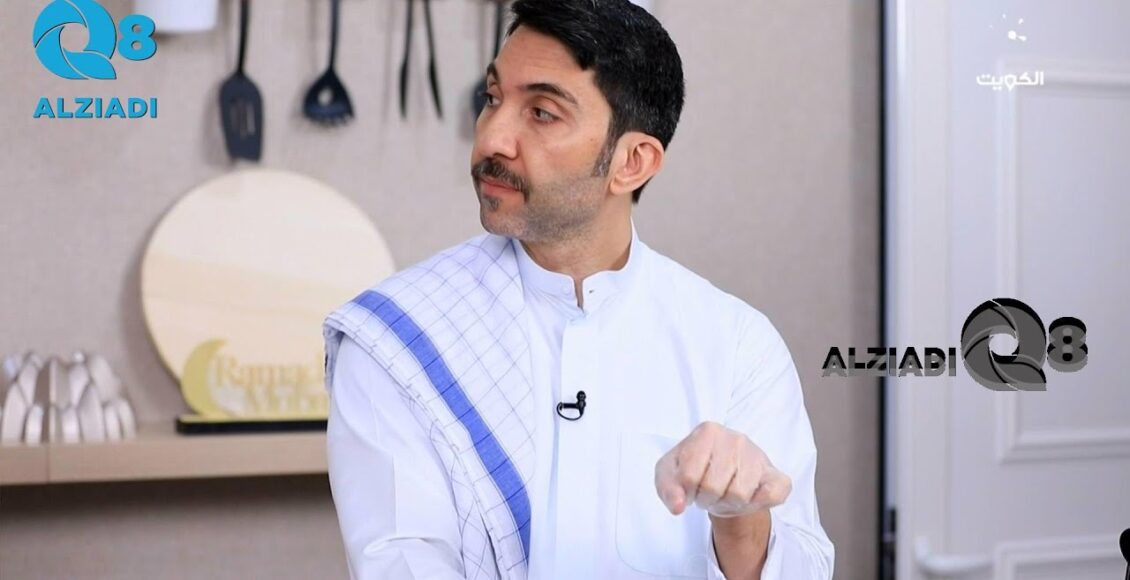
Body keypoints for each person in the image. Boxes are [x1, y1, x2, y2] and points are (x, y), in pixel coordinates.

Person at [322, 1, 834, 578]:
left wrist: (741, 521)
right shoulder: (395, 341)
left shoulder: (736, 346)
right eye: (492, 98)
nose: (492, 138)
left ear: (633, 162)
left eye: (542, 113)